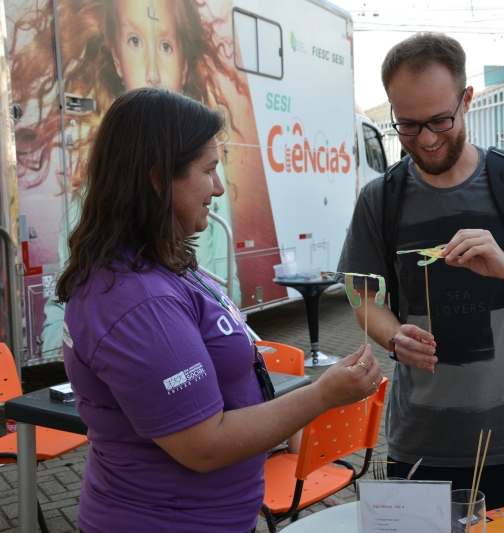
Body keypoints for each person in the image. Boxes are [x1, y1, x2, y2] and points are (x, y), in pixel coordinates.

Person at [56, 87, 382, 533]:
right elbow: (204, 445)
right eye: (208, 169)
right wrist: (324, 395)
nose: (218, 186)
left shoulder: (158, 264)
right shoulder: (139, 302)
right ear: (156, 179)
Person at [337, 32, 504, 510]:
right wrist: (393, 336)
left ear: (467, 100)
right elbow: (360, 292)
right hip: (420, 442)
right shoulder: (382, 198)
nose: (429, 140)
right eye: (409, 126)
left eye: (440, 120)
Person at [10, 0, 267, 355]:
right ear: (159, 179)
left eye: (165, 45)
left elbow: (224, 303)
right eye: (134, 41)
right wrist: (320, 394)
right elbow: (64, 329)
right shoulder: (134, 295)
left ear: (185, 59)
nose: (151, 70)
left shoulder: (183, 237)